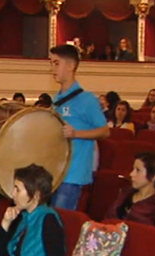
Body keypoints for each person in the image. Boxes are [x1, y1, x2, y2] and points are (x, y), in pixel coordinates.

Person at [48, 44, 109, 210]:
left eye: (56, 63)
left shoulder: (87, 100)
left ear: (71, 66)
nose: (52, 68)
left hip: (73, 173)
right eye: (51, 63)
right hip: (57, 171)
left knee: (63, 222)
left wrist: (76, 133)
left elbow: (105, 131)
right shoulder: (57, 99)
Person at [0, 164, 65, 256]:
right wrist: (5, 224)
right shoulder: (23, 215)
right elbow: (0, 253)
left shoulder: (48, 220)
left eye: (18, 189)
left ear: (36, 196)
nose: (12, 194)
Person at [106, 152, 155, 237]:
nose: (131, 174)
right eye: (133, 169)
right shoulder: (125, 193)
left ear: (153, 177)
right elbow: (108, 220)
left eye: (138, 170)